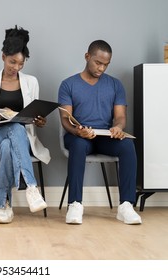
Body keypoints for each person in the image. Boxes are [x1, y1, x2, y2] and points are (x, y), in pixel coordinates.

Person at [58, 39, 142, 225]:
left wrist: (118, 128)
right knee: (79, 145)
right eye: (98, 62)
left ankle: (126, 205)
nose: (101, 68)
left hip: (105, 136)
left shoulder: (115, 85)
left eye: (106, 64)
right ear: (87, 56)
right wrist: (77, 131)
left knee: (127, 145)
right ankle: (75, 204)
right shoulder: (68, 84)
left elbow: (120, 117)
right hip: (79, 136)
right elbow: (65, 119)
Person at [0, 26, 49, 224]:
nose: (16, 67)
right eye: (12, 62)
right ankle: (31, 188)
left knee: (10, 143)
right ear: (3, 57)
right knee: (12, 129)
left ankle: (4, 205)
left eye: (20, 64)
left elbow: (34, 112)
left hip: (21, 139)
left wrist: (39, 120)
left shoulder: (31, 82)